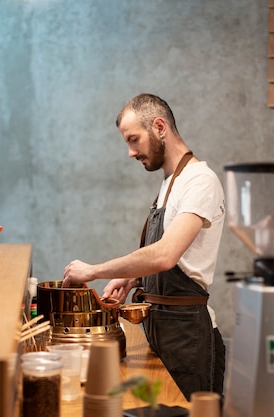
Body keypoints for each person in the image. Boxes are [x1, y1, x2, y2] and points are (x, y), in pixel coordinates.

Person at [63, 93, 226, 399]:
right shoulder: (169, 184)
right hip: (163, 330)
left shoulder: (200, 181)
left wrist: (94, 270)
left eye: (134, 139)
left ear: (160, 127)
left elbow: (165, 255)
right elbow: (179, 261)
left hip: (188, 337)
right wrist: (134, 279)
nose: (130, 152)